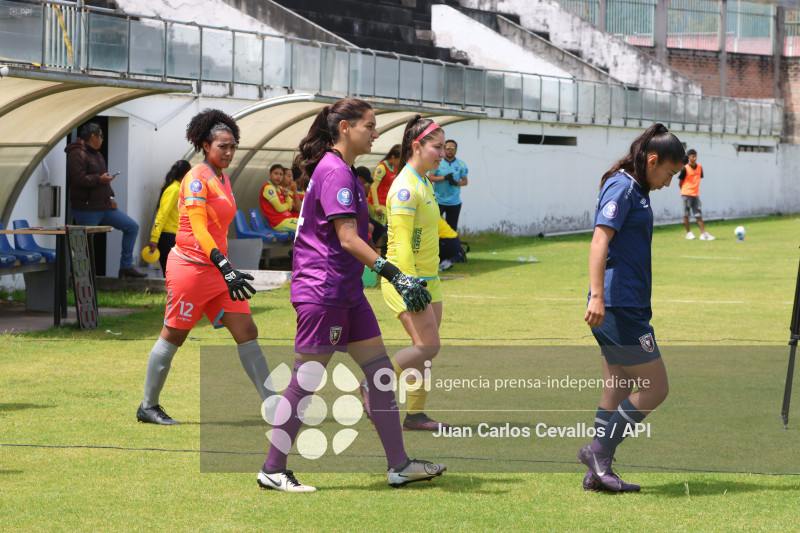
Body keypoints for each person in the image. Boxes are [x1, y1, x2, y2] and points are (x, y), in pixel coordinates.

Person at [257, 98, 444, 493]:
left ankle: (400, 465)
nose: (376, 133)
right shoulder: (336, 171)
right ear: (345, 128)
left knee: (378, 373)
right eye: (370, 125)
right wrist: (394, 273)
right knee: (306, 380)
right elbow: (346, 238)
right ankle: (273, 469)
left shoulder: (338, 170)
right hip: (323, 291)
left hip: (347, 291)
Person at [136, 109, 273, 426]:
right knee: (173, 335)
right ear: (205, 145)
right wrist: (224, 264)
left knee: (247, 330)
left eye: (232, 146)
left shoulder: (222, 178)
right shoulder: (196, 178)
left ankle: (274, 403)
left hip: (218, 271)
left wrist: (224, 268)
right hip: (191, 269)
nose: (228, 152)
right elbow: (199, 229)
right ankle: (148, 406)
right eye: (222, 146)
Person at [578, 123, 686, 492]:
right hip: (619, 306)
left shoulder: (638, 188)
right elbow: (599, 240)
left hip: (627, 303)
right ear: (652, 160)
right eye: (669, 173)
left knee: (618, 387)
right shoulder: (623, 187)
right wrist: (596, 296)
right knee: (655, 389)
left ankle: (597, 474)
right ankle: (598, 452)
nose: (669, 182)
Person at [371, 116, 450, 432]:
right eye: (437, 147)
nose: (442, 153)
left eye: (444, 147)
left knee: (425, 351)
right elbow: (401, 242)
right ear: (416, 146)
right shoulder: (404, 188)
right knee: (428, 346)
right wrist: (408, 281)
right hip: (406, 279)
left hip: (430, 279)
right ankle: (375, 385)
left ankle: (415, 415)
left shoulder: (425, 181)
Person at [66, 122, 146, 278]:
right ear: (93, 136)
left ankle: (126, 267)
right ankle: (75, 278)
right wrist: (99, 180)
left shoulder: (98, 155)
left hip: (103, 207)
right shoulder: (77, 154)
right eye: (101, 136)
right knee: (84, 244)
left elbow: (104, 179)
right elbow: (78, 179)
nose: (103, 139)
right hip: (86, 209)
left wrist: (110, 196)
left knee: (132, 227)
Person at [148, 160, 192, 276]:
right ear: (186, 174)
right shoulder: (174, 189)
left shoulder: (178, 188)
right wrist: (154, 238)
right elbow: (162, 214)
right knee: (172, 275)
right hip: (168, 237)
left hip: (174, 237)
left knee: (175, 275)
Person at [428, 139, 468, 231]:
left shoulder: (461, 164)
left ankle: (449, 245)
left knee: (451, 230)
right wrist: (444, 178)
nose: (450, 150)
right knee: (434, 228)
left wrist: (456, 183)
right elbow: (430, 177)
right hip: (438, 201)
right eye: (448, 148)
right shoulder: (437, 162)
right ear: (444, 149)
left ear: (456, 150)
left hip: (454, 202)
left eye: (453, 148)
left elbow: (465, 181)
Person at [678, 148, 714, 240]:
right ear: (688, 157)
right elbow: (680, 182)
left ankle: (704, 234)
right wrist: (684, 191)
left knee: (698, 214)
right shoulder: (685, 168)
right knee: (686, 214)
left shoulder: (700, 167)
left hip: (695, 194)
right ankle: (689, 233)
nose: (694, 158)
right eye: (692, 156)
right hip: (686, 194)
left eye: (695, 156)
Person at [259, 164, 298, 232]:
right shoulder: (268, 188)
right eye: (276, 173)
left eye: (281, 174)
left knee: (309, 225)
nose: (278, 177)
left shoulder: (280, 188)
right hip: (278, 222)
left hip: (288, 219)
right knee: (304, 230)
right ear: (270, 174)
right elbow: (279, 208)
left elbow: (290, 207)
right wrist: (287, 204)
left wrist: (286, 196)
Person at [355, 166, 386, 250]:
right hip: (356, 216)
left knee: (380, 228)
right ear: (360, 178)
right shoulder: (353, 185)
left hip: (364, 216)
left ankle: (371, 249)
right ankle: (364, 249)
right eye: (365, 181)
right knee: (370, 227)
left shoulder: (361, 187)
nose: (366, 183)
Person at [370, 144, 401, 228]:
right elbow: (373, 187)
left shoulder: (394, 168)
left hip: (386, 204)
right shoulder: (382, 168)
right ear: (393, 157)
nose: (400, 162)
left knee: (383, 231)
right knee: (378, 231)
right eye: (399, 159)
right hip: (379, 204)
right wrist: (377, 207)